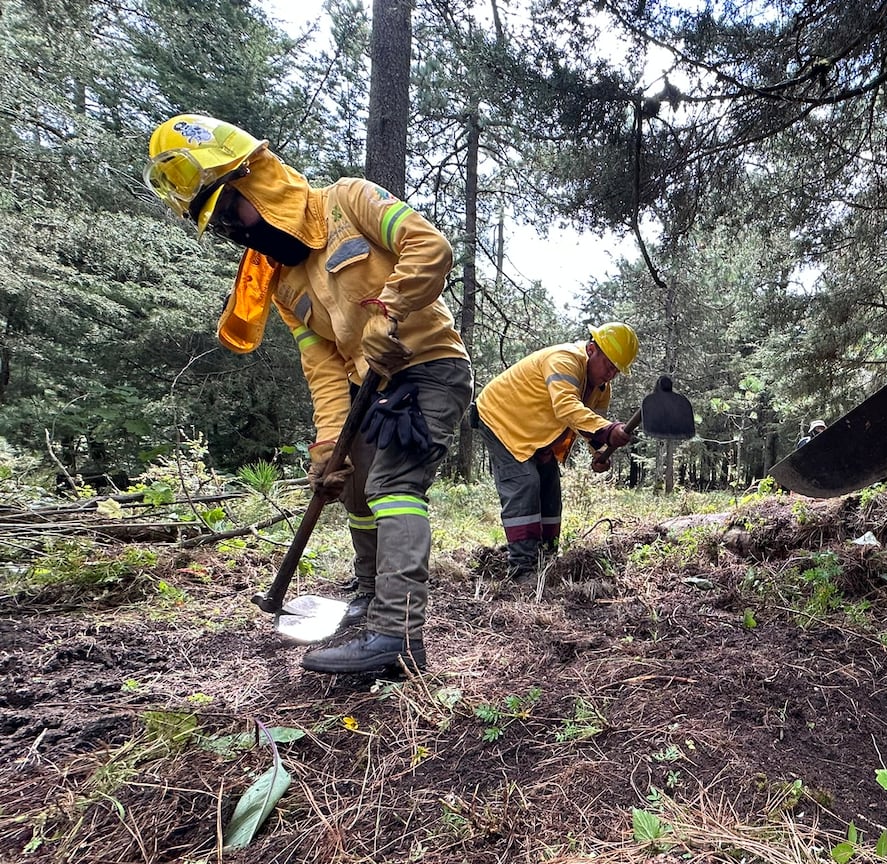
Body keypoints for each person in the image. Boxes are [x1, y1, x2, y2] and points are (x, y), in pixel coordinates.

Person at [144, 114, 473, 674]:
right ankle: (369, 597)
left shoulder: (349, 200)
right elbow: (322, 365)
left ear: (258, 179)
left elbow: (430, 247)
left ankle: (399, 639)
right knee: (356, 490)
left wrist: (388, 313)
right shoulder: (281, 282)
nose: (235, 230)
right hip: (367, 387)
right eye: (220, 225)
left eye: (230, 211)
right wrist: (328, 446)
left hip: (429, 366)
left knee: (393, 484)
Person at [474, 324, 639, 582]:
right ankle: (523, 570)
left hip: (533, 432)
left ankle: (547, 558)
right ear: (592, 349)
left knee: (550, 484)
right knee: (524, 483)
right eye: (609, 365)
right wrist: (608, 431)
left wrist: (600, 450)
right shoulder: (563, 360)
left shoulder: (601, 388)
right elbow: (566, 407)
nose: (611, 374)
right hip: (499, 418)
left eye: (617, 370)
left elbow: (590, 423)